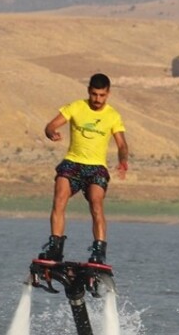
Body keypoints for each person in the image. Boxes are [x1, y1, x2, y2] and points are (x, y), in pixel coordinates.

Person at [37, 73, 129, 266]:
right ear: (89, 91)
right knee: (59, 198)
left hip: (96, 168)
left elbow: (122, 144)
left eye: (102, 95)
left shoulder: (112, 115)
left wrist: (123, 161)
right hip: (73, 163)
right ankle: (55, 247)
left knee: (96, 204)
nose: (97, 99)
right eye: (94, 94)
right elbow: (51, 125)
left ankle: (99, 250)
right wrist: (50, 132)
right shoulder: (76, 107)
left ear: (108, 94)